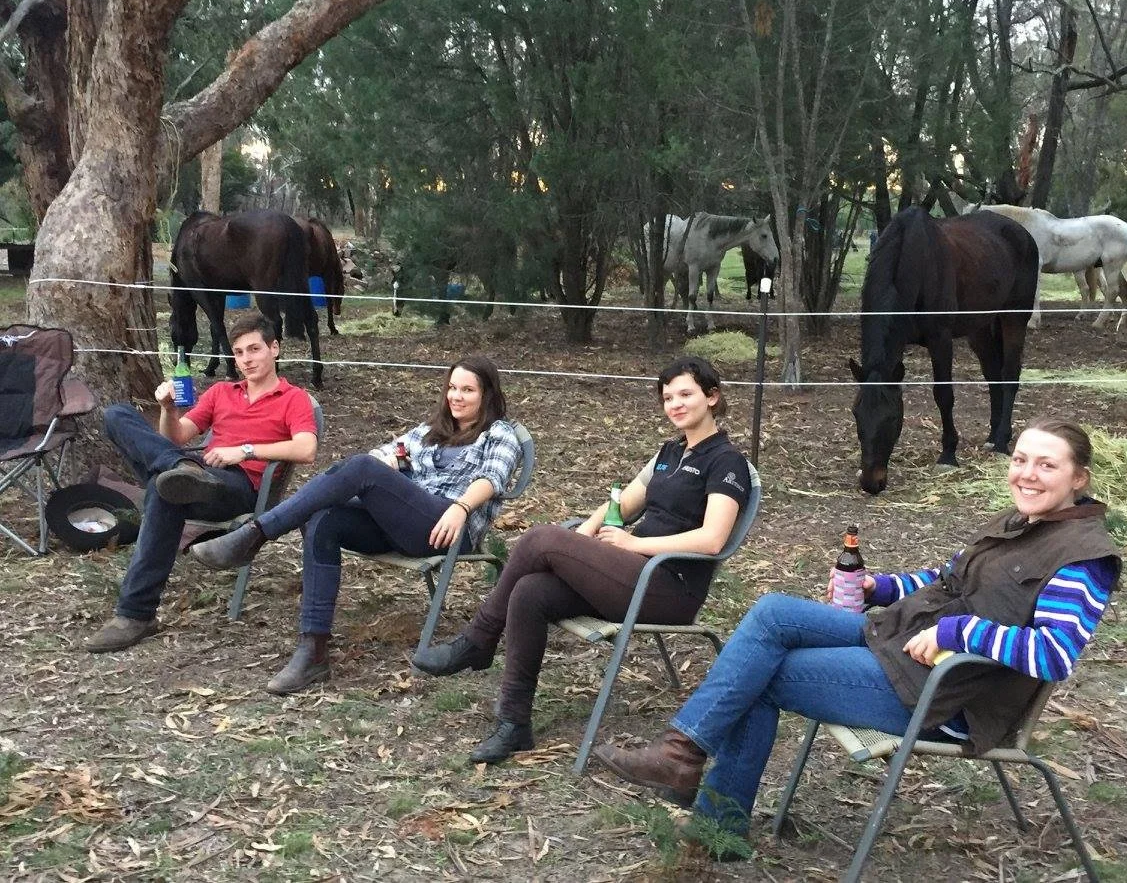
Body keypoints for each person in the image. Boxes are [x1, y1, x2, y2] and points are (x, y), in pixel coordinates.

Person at [592, 417, 1121, 855]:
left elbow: (1054, 655)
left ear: (1079, 479)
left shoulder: (1081, 557)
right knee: (774, 613)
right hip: (901, 643)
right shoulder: (1019, 522)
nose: (1027, 474)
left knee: (761, 675)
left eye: (1046, 465)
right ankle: (684, 753)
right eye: (1020, 459)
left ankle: (714, 823)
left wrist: (960, 632)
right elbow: (945, 581)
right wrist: (881, 586)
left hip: (946, 696)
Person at [412, 356, 752, 765]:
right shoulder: (668, 453)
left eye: (686, 394)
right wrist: (580, 540)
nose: (675, 404)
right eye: (667, 397)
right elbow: (621, 505)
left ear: (712, 397)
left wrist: (627, 546)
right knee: (530, 591)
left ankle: (480, 639)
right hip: (628, 573)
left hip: (668, 586)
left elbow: (712, 540)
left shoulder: (726, 461)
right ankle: (513, 723)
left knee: (541, 538)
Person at [189, 356, 521, 694]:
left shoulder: (500, 434)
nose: (456, 396)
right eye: (452, 388)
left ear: (487, 394)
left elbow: (492, 479)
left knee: (361, 469)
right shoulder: (433, 430)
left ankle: (254, 535)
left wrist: (462, 507)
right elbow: (389, 452)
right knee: (324, 517)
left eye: (467, 390)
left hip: (447, 527)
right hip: (404, 523)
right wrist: (389, 461)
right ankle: (313, 651)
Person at [85, 313, 319, 653]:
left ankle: (134, 615)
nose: (246, 360)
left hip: (239, 487)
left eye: (254, 350)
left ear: (275, 349)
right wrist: (167, 409)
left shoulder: (293, 398)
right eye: (239, 353)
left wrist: (244, 451)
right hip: (194, 471)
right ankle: (177, 472)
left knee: (165, 487)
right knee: (117, 415)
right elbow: (177, 436)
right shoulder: (221, 392)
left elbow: (306, 448)